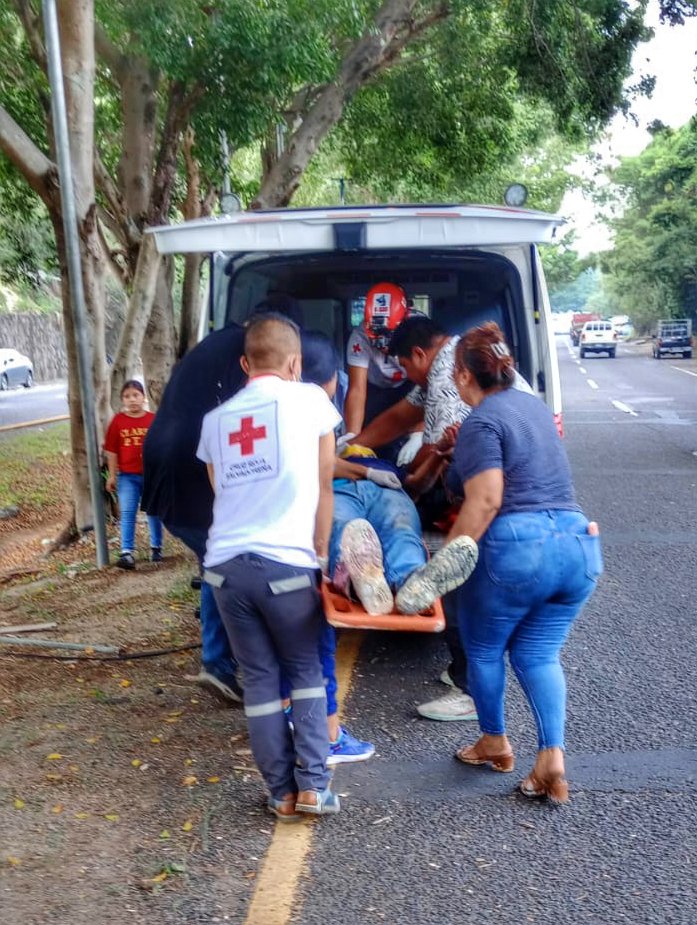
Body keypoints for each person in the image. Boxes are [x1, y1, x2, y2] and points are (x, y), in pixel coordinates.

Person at [443, 322, 602, 804]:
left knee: (485, 649)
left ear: (462, 375)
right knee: (537, 654)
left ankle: (494, 741)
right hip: (578, 547)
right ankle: (551, 759)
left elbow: (487, 500)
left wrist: (441, 569)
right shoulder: (533, 408)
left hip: (519, 549)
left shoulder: (482, 421)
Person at [197, 314, 342, 819]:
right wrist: (321, 555)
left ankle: (279, 793)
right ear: (296, 363)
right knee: (304, 672)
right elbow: (326, 485)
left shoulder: (215, 421)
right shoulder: (311, 400)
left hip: (224, 570)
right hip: (286, 565)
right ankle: (313, 788)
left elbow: (223, 493)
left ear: (244, 364)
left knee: (259, 679)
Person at [353, 315, 532, 722]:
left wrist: (409, 487)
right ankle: (473, 681)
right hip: (532, 507)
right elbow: (400, 417)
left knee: (455, 583)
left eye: (404, 366)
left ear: (419, 354)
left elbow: (435, 453)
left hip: (495, 500)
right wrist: (356, 445)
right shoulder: (457, 362)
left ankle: (473, 689)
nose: (405, 376)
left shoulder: (450, 373)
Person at [142, 324, 247, 702]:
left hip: (162, 453)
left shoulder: (215, 342)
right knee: (222, 560)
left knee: (213, 560)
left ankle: (221, 658)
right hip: (186, 463)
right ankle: (219, 662)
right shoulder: (247, 351)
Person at [344, 282, 421, 464]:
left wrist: (419, 432)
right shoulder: (360, 336)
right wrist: (352, 436)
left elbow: (428, 384)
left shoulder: (418, 329)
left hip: (412, 383)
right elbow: (357, 390)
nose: (383, 345)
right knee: (369, 436)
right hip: (375, 387)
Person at [104, 379, 163, 570]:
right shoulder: (118, 422)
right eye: (127, 396)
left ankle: (156, 547)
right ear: (122, 400)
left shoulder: (153, 420)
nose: (132, 400)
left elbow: (162, 446)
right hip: (127, 476)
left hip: (151, 475)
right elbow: (112, 451)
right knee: (128, 512)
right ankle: (126, 552)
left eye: (136, 395)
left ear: (143, 397)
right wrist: (112, 475)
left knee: (153, 511)